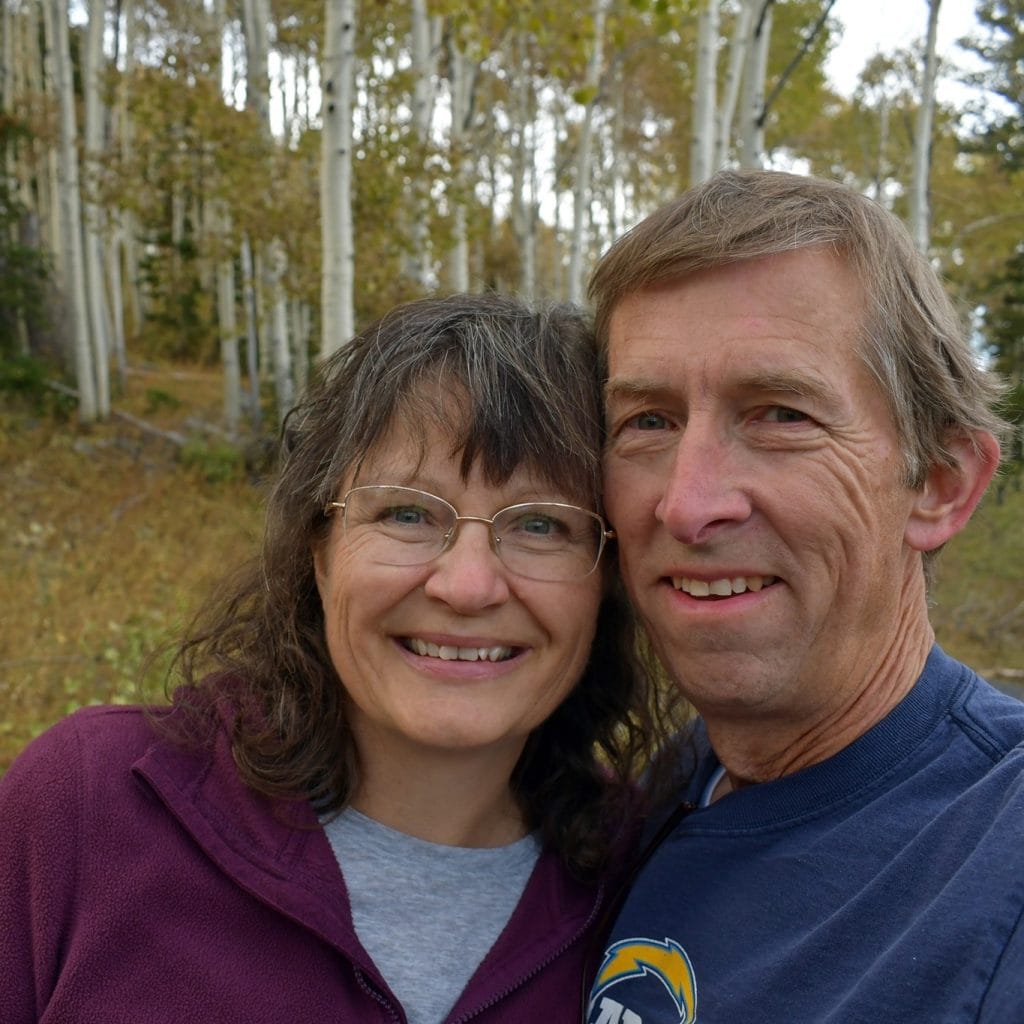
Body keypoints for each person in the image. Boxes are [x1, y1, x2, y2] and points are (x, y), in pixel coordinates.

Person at [0, 293, 665, 1023]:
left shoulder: (655, 891)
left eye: (541, 525)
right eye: (407, 513)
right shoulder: (89, 808)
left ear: (607, 577)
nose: (468, 585)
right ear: (319, 550)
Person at [583, 169, 1024, 1024]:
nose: (687, 501)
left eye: (780, 414)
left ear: (939, 482)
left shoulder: (997, 854)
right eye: (647, 421)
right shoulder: (647, 795)